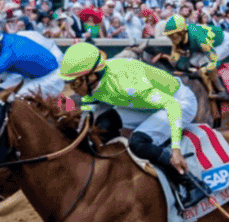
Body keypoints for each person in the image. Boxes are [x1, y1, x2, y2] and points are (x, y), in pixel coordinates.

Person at [58, 42, 201, 208]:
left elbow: (172, 105)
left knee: (138, 142)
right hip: (144, 106)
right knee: (103, 124)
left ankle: (192, 184)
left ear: (91, 76)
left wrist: (176, 150)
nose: (73, 90)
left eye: (75, 83)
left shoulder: (128, 85)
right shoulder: (95, 81)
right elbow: (91, 100)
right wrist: (85, 119)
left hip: (179, 103)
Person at [162, 13, 229, 98]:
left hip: (225, 42)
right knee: (193, 62)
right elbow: (174, 58)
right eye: (169, 36)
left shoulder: (199, 38)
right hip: (209, 42)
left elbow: (215, 61)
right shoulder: (179, 37)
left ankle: (222, 91)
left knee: (204, 62)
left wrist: (202, 70)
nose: (171, 38)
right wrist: (165, 57)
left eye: (173, 35)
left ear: (182, 32)